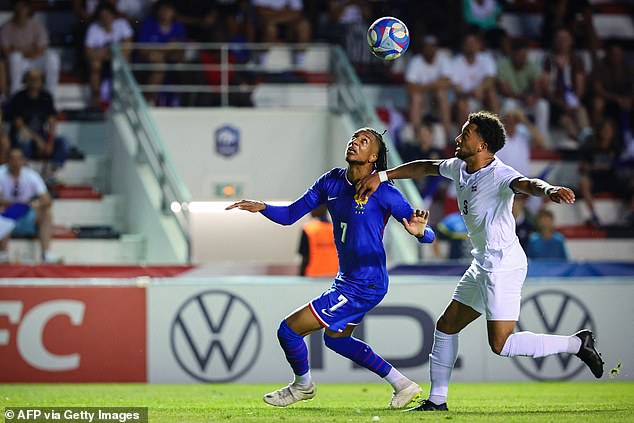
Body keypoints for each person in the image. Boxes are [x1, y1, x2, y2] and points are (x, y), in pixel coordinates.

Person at [356, 111, 604, 412]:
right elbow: (426, 166)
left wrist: (549, 189)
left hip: (503, 265)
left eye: (466, 134)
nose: (457, 138)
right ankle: (437, 401)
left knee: (502, 345)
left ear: (483, 144)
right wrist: (382, 175)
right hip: (481, 263)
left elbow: (527, 184)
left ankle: (577, 344)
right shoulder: (459, 167)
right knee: (446, 326)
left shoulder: (500, 175)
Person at [226, 127, 435, 408]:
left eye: (364, 142)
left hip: (365, 284)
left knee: (288, 330)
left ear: (374, 155)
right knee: (336, 340)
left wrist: (421, 233)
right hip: (347, 280)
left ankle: (303, 387)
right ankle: (403, 384)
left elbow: (427, 233)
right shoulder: (331, 181)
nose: (354, 143)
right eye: (353, 139)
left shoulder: (385, 192)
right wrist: (262, 207)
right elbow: (290, 215)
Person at [0, 148, 56, 263]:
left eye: (18, 159)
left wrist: (38, 204)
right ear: (7, 160)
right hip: (6, 215)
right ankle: (3, 253)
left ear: (23, 161)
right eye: (12, 159)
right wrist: (12, 204)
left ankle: (46, 254)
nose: (15, 163)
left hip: (26, 216)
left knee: (46, 214)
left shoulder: (31, 175)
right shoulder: (1, 173)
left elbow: (47, 200)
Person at [7, 68, 67, 173]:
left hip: (41, 133)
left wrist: (50, 142)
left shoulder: (46, 97)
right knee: (24, 141)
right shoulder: (19, 97)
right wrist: (38, 141)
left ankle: (52, 173)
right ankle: (26, 171)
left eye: (37, 79)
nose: (34, 81)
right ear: (26, 80)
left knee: (62, 141)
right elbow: (19, 125)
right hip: (22, 134)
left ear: (42, 81)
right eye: (31, 79)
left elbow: (52, 122)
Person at [0, 0, 60, 96]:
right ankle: (15, 94)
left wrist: (22, 50)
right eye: (18, 7)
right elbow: (6, 50)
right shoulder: (6, 27)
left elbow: (42, 48)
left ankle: (50, 95)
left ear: (28, 9)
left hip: (36, 60)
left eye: (23, 7)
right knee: (15, 57)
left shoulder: (37, 26)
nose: (20, 10)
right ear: (14, 9)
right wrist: (25, 51)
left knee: (52, 57)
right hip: (20, 63)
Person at [542, 28, 591, 144]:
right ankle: (583, 143)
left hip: (572, 100)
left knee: (581, 111)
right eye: (559, 39)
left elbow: (580, 85)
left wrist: (574, 102)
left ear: (571, 41)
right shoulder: (548, 60)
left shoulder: (576, 60)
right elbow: (546, 88)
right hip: (555, 103)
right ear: (554, 41)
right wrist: (562, 104)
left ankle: (587, 136)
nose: (562, 42)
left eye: (565, 39)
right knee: (566, 120)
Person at [496, 38, 550, 143]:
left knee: (543, 105)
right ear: (513, 54)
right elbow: (505, 90)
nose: (523, 58)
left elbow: (538, 87)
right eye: (520, 55)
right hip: (512, 100)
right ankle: (505, 140)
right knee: (509, 104)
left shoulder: (530, 65)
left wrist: (534, 98)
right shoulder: (504, 65)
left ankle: (541, 140)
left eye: (525, 55)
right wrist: (524, 97)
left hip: (526, 101)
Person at [84, 2, 134, 107]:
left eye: (107, 15)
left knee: (125, 59)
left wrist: (106, 53)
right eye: (102, 16)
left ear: (113, 15)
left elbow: (128, 47)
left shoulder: (122, 24)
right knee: (94, 64)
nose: (105, 18)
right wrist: (109, 53)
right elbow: (89, 54)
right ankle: (96, 100)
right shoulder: (94, 28)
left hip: (119, 59)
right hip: (103, 61)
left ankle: (125, 96)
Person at [404, 35, 452, 142]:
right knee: (416, 97)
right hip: (423, 101)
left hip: (436, 101)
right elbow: (410, 87)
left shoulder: (442, 59)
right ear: (423, 48)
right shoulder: (416, 61)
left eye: (432, 47)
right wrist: (433, 85)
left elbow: (447, 82)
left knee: (441, 94)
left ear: (436, 48)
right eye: (427, 47)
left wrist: (424, 87)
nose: (430, 49)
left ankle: (447, 133)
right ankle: (416, 133)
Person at [450, 32, 499, 126]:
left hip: (482, 96)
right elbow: (456, 88)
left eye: (473, 43)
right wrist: (471, 93)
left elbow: (491, 79)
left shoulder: (486, 59)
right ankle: (464, 137)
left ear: (478, 45)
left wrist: (480, 88)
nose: (470, 46)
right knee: (461, 104)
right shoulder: (456, 62)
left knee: (491, 94)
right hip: (464, 98)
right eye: (468, 43)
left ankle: (496, 130)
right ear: (463, 46)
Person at [298, 203, 338, 277]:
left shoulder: (308, 229)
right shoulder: (336, 229)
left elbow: (305, 257)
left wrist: (300, 277)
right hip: (333, 277)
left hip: (312, 276)